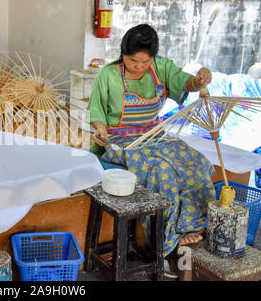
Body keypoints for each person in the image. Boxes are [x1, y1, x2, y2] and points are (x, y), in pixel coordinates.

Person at [88, 24, 215, 263]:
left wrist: (198, 81)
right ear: (122, 53)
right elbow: (96, 111)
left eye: (145, 62)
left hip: (153, 135)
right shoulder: (108, 75)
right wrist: (100, 131)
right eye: (133, 60)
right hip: (119, 140)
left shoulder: (161, 68)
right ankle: (167, 241)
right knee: (161, 169)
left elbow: (185, 83)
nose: (139, 67)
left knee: (195, 161)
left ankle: (192, 225)